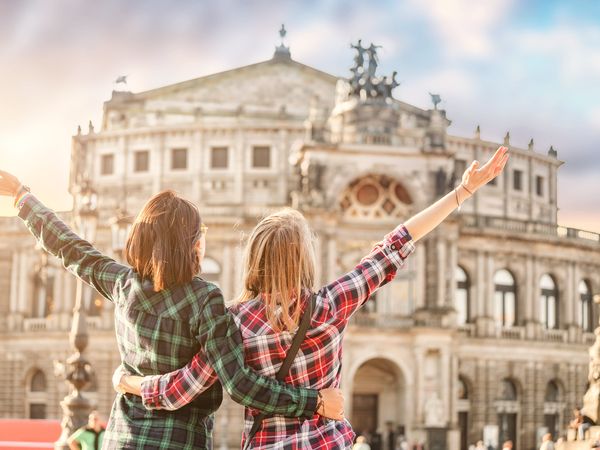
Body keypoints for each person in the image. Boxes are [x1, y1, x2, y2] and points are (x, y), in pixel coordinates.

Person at [116, 147, 509, 448]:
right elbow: (397, 242)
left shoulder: (231, 321)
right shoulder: (331, 305)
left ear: (253, 258)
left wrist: (128, 383)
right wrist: (462, 191)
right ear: (306, 257)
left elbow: (178, 389)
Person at [0, 171, 344, 449]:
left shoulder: (123, 285)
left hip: (123, 439)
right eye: (201, 232)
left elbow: (70, 248)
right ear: (193, 244)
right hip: (181, 441)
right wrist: (312, 401)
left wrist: (22, 196)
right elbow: (241, 384)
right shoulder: (205, 300)